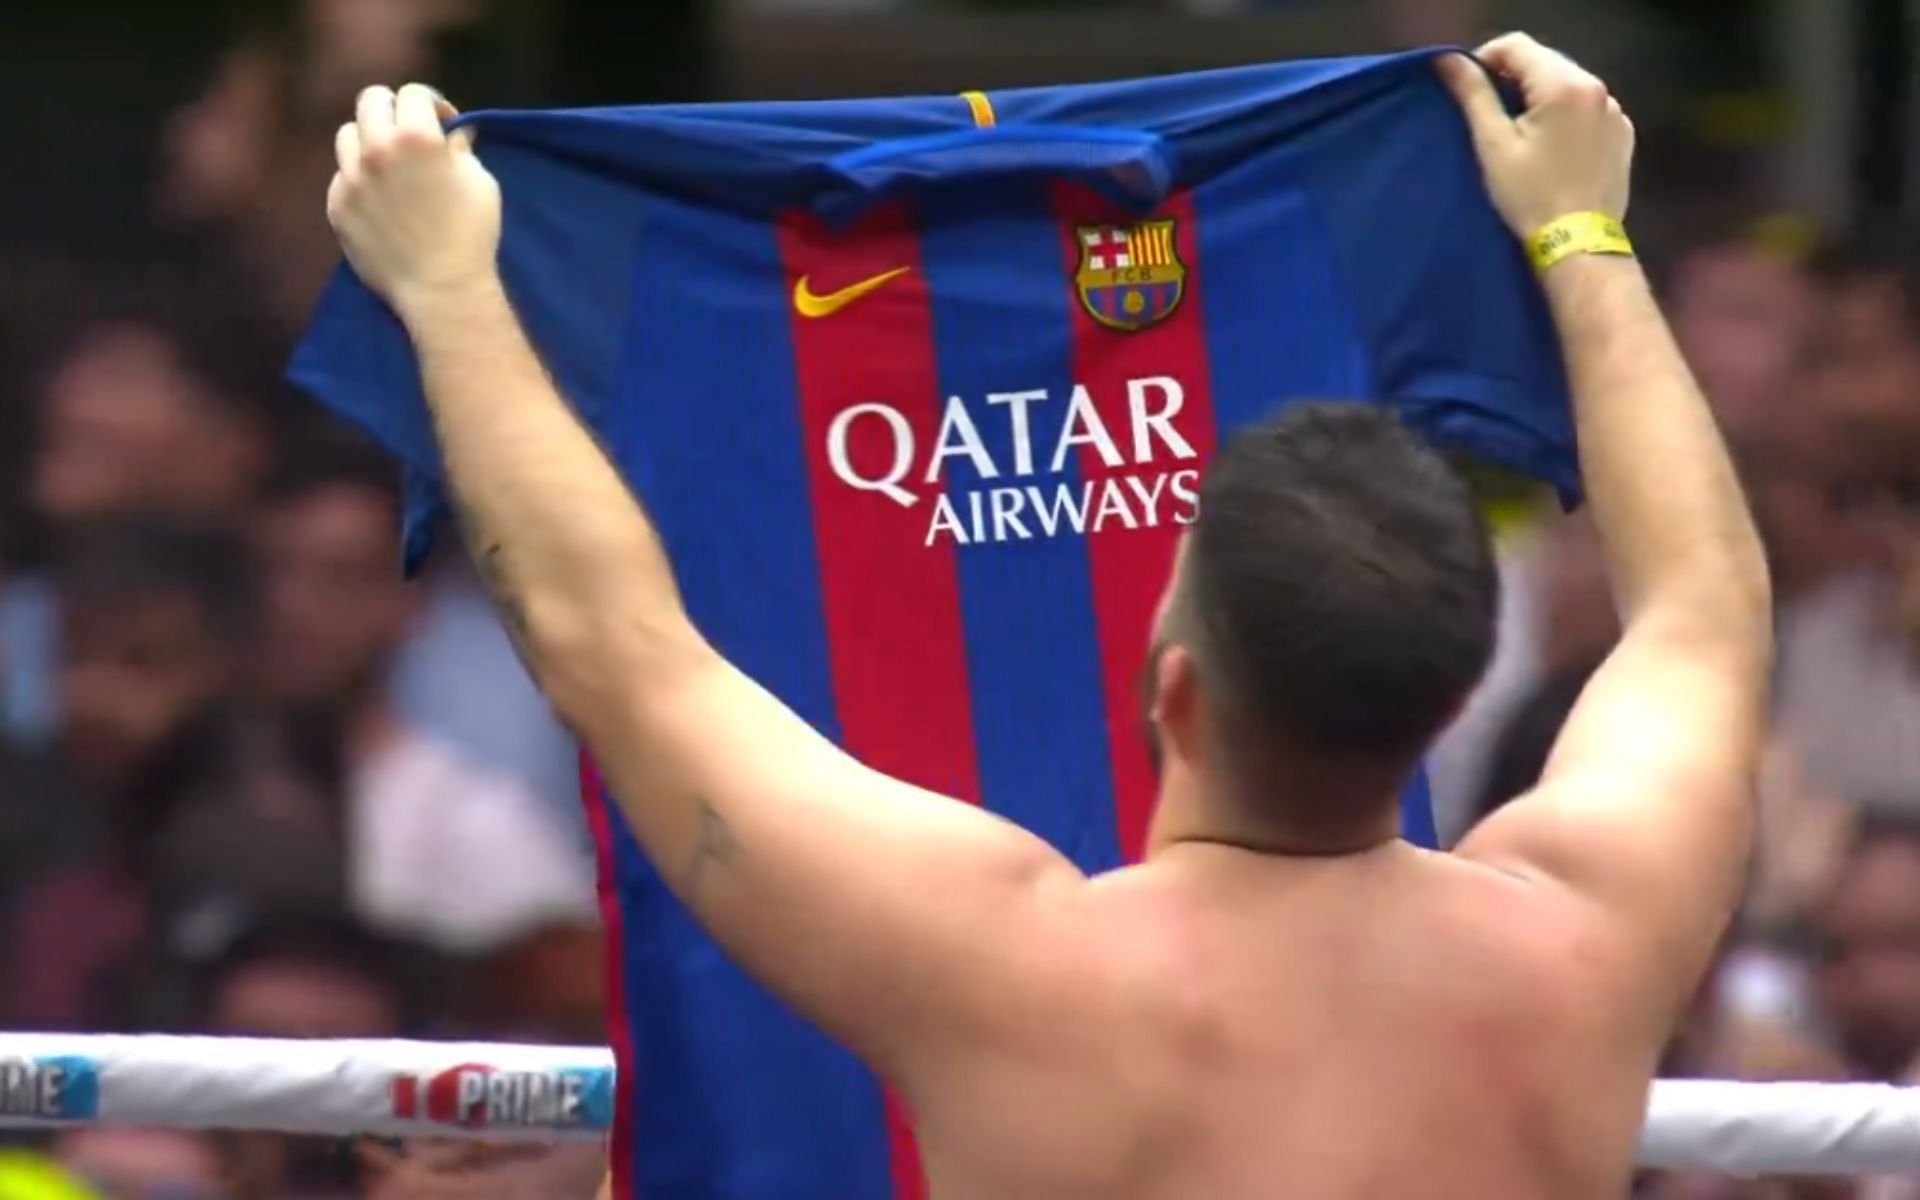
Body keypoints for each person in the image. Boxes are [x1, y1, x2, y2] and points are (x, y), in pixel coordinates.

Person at [325, 32, 1770, 1200]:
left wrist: (450, 291)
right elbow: (1701, 611)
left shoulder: (1022, 976)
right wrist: (1582, 234)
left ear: (1174, 688)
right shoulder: (1588, 936)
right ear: (1453, 694)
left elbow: (619, 655)